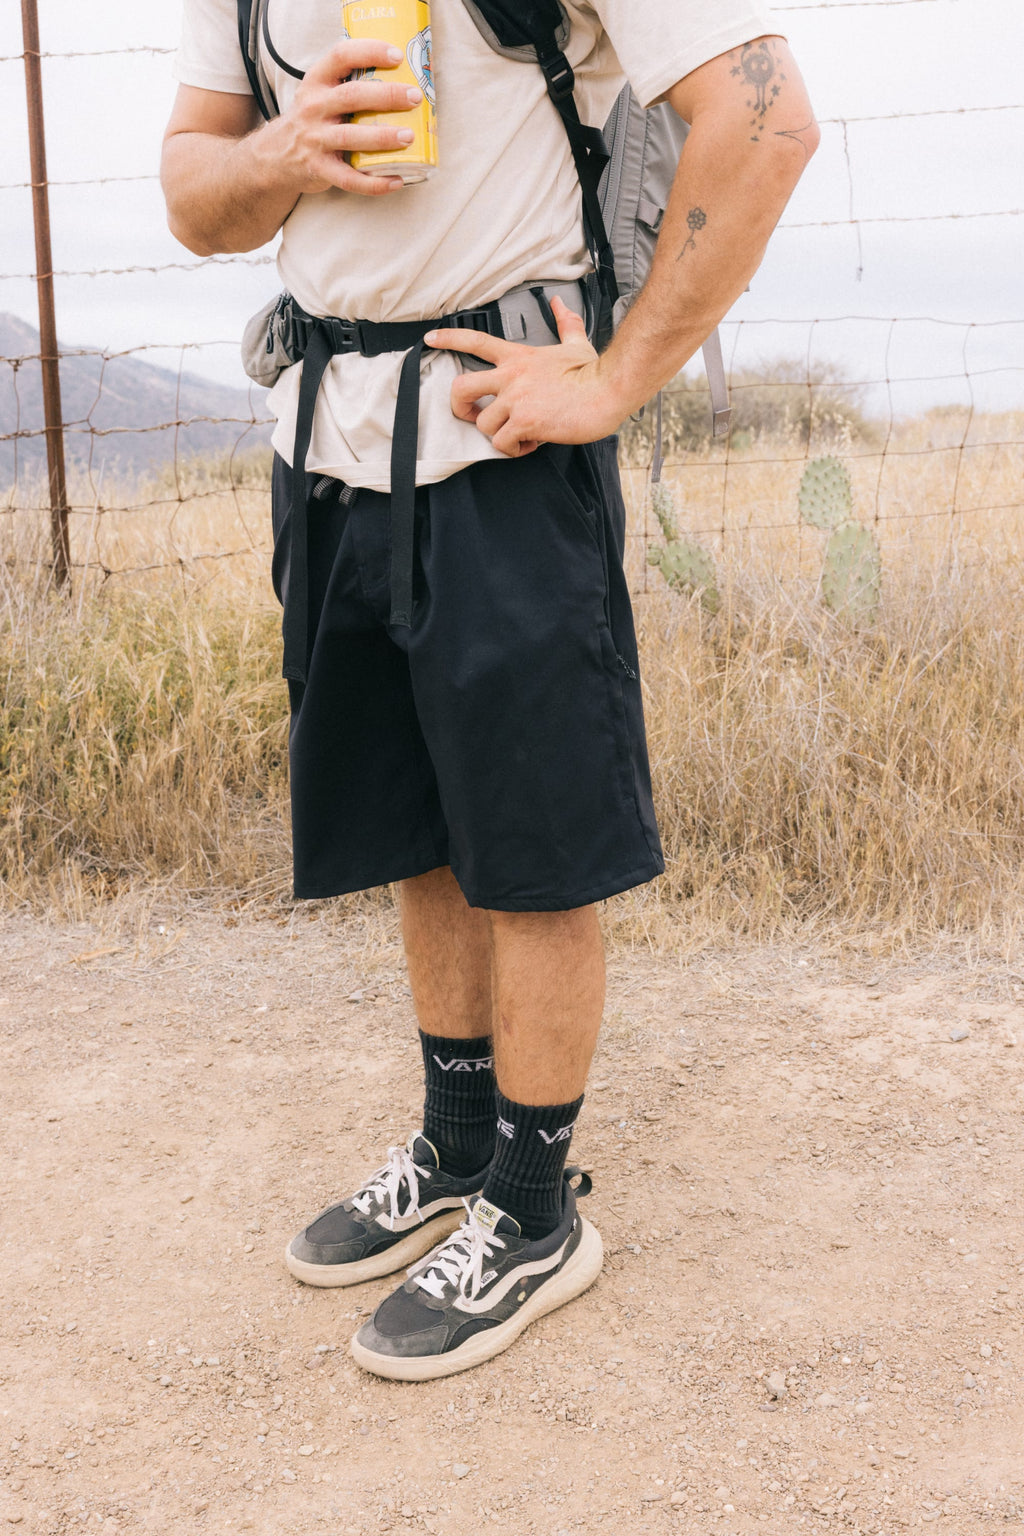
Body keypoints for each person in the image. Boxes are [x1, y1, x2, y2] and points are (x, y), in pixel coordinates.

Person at [162, 0, 817, 1381]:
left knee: (532, 848)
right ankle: (460, 1143)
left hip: (501, 442)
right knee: (420, 827)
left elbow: (765, 117)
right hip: (326, 444)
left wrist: (617, 380)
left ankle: (532, 1211)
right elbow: (193, 196)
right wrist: (285, 150)